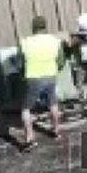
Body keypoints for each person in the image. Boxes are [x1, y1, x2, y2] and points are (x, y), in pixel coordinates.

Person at [18, 15, 67, 149]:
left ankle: (29, 138)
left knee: (26, 108)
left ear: (33, 28)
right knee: (53, 102)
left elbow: (20, 64)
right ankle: (56, 131)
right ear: (45, 27)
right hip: (51, 75)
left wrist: (23, 74)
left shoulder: (25, 42)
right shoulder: (55, 41)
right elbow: (61, 62)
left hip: (33, 78)